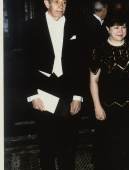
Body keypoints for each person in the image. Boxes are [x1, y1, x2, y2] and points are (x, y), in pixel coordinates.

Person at [23, 0, 84, 170]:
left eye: (64, 2)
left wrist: (78, 96)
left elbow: (81, 64)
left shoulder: (76, 25)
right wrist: (33, 95)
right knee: (46, 145)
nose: (61, 5)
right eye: (56, 1)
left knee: (69, 145)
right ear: (46, 2)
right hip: (43, 91)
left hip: (68, 89)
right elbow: (25, 64)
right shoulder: (31, 26)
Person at [90, 14, 129, 170]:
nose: (121, 31)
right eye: (116, 27)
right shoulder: (99, 50)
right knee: (110, 150)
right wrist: (97, 106)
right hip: (109, 108)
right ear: (107, 29)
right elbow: (93, 81)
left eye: (123, 26)